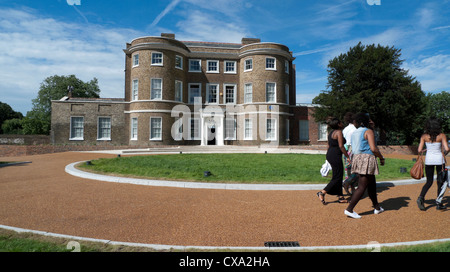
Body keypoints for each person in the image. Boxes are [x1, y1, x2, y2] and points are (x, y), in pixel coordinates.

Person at [344, 113, 385, 219]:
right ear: (365, 121)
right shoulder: (368, 131)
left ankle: (377, 207)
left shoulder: (354, 132)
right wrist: (381, 157)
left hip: (357, 158)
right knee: (362, 186)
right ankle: (349, 209)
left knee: (371, 184)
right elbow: (373, 148)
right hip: (367, 158)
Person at [416, 118, 449, 211]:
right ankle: (439, 203)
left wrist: (428, 149)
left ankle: (421, 198)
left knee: (429, 182)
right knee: (440, 182)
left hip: (429, 160)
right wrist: (444, 154)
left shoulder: (424, 136)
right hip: (439, 161)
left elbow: (419, 150)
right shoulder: (442, 135)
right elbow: (447, 148)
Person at [317, 117, 350, 205]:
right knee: (337, 176)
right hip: (335, 155)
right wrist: (347, 156)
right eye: (341, 122)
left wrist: (328, 156)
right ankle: (322, 192)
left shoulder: (331, 132)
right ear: (338, 124)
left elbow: (328, 145)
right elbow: (341, 146)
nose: (342, 123)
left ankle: (341, 197)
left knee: (338, 175)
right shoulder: (338, 132)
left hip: (331, 154)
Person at [342, 112, 358, 195]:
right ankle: (349, 185)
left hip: (345, 150)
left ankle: (351, 189)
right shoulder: (355, 129)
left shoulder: (345, 129)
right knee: (355, 170)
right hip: (353, 149)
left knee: (348, 169)